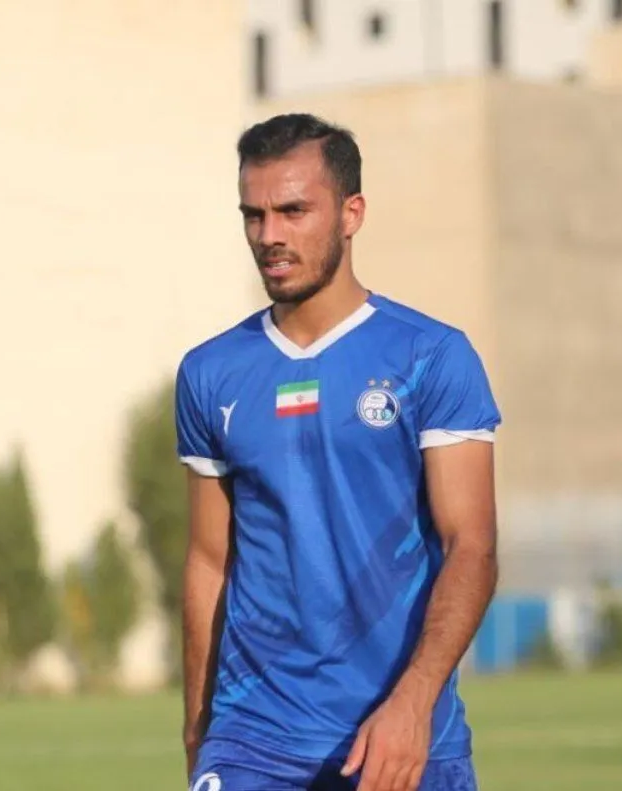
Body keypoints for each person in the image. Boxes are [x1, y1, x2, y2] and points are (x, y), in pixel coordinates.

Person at [175, 112, 501, 791]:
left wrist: (414, 701)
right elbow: (209, 561)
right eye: (254, 215)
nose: (270, 235)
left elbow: (471, 545)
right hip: (252, 736)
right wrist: (198, 727)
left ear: (352, 214)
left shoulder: (431, 357)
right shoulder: (210, 373)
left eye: (293, 211)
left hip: (401, 737)